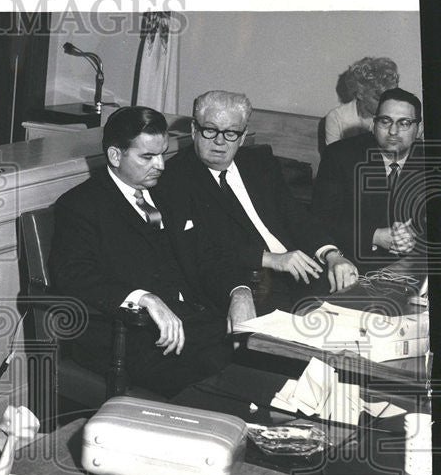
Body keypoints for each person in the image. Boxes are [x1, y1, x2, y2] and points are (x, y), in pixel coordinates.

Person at [48, 106, 256, 398]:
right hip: (128, 335)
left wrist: (239, 291)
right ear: (115, 155)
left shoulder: (170, 193)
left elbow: (207, 255)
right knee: (224, 374)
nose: (160, 165)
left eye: (162, 154)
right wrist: (144, 299)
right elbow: (75, 276)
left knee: (263, 356)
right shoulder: (81, 205)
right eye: (147, 157)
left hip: (193, 321)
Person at [161, 90, 359, 313]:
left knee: (361, 310)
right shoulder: (175, 178)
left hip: (301, 271)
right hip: (249, 282)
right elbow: (202, 248)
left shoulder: (258, 163)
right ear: (194, 130)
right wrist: (270, 259)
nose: (219, 141)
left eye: (231, 133)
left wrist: (332, 255)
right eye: (210, 130)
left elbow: (296, 216)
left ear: (243, 136)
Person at [313, 87, 426, 273]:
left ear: (419, 129)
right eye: (385, 121)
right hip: (352, 264)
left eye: (404, 123)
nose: (393, 131)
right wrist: (375, 235)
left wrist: (415, 236)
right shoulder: (340, 156)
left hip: (415, 265)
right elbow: (319, 219)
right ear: (373, 125)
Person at [323, 57, 399, 147]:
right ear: (360, 94)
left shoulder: (396, 117)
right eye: (378, 99)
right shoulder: (337, 118)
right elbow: (333, 157)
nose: (385, 105)